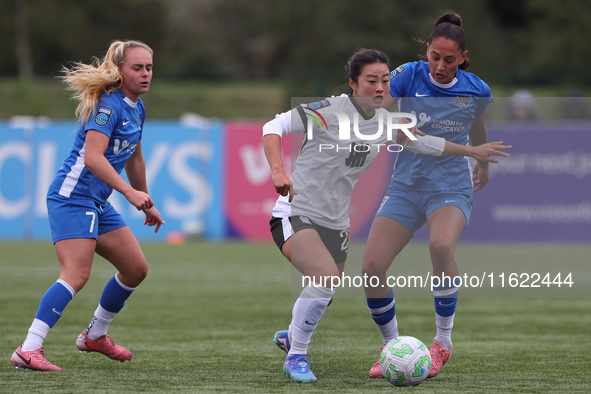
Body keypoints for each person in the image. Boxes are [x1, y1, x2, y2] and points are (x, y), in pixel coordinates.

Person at [263, 48, 510, 383]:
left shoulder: (388, 123)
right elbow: (273, 125)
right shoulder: (329, 111)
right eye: (371, 81)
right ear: (353, 84)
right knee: (325, 279)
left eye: (385, 80)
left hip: (336, 224)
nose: (380, 88)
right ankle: (296, 357)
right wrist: (278, 171)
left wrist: (472, 151)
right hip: (296, 212)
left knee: (324, 293)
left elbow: (428, 144)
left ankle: (293, 335)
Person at [362, 11, 503, 380]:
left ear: (463, 57)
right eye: (434, 57)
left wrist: (483, 166)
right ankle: (391, 346)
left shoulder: (476, 89)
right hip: (405, 188)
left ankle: (442, 344)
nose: (440, 66)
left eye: (449, 59)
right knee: (371, 268)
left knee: (441, 247)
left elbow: (478, 128)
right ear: (426, 51)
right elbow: (382, 103)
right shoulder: (409, 74)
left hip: (451, 188)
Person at [10, 40, 164, 371]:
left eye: (149, 67)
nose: (145, 74)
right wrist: (127, 193)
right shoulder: (108, 105)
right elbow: (93, 158)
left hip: (95, 201)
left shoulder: (137, 107)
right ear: (121, 71)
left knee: (136, 269)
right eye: (137, 68)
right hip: (72, 196)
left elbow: (135, 157)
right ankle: (29, 348)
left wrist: (145, 198)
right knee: (76, 274)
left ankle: (95, 335)